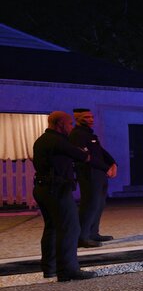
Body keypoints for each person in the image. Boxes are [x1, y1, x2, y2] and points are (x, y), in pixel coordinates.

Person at [32, 111, 96, 281]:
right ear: (60, 124)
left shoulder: (42, 140)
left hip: (42, 188)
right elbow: (84, 156)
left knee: (52, 227)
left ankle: (49, 268)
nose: (71, 127)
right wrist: (82, 151)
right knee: (70, 228)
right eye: (69, 124)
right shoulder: (58, 141)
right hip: (57, 189)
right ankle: (68, 270)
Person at [69, 108, 117, 248]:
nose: (91, 119)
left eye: (91, 117)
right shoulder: (77, 135)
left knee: (99, 204)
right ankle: (82, 237)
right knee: (89, 205)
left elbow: (100, 151)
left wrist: (113, 163)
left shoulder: (90, 135)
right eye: (86, 117)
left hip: (98, 174)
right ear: (77, 118)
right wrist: (106, 167)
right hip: (89, 174)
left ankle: (93, 233)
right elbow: (86, 157)